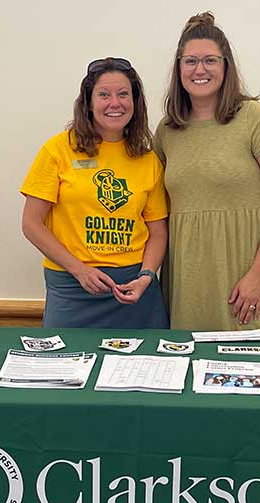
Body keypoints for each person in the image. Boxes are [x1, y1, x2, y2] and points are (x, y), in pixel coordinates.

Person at [154, 12, 260, 331]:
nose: (200, 69)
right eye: (190, 61)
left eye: (210, 60)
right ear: (179, 67)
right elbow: (153, 209)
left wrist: (257, 275)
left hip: (245, 277)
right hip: (187, 281)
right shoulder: (167, 131)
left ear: (226, 66)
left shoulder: (257, 120)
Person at [21, 57, 169, 329]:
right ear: (88, 102)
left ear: (135, 102)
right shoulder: (58, 150)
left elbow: (158, 232)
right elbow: (31, 224)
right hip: (73, 290)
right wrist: (80, 270)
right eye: (104, 95)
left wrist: (146, 276)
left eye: (124, 94)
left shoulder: (148, 160)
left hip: (135, 293)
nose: (115, 103)